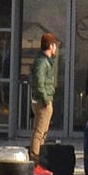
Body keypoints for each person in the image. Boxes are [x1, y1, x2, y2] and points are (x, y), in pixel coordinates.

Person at [27, 33, 61, 167]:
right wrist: (46, 99)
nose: (56, 49)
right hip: (43, 101)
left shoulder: (46, 61)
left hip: (44, 99)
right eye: (55, 46)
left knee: (42, 132)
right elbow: (38, 82)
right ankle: (35, 162)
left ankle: (38, 161)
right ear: (51, 46)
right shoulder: (42, 62)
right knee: (39, 132)